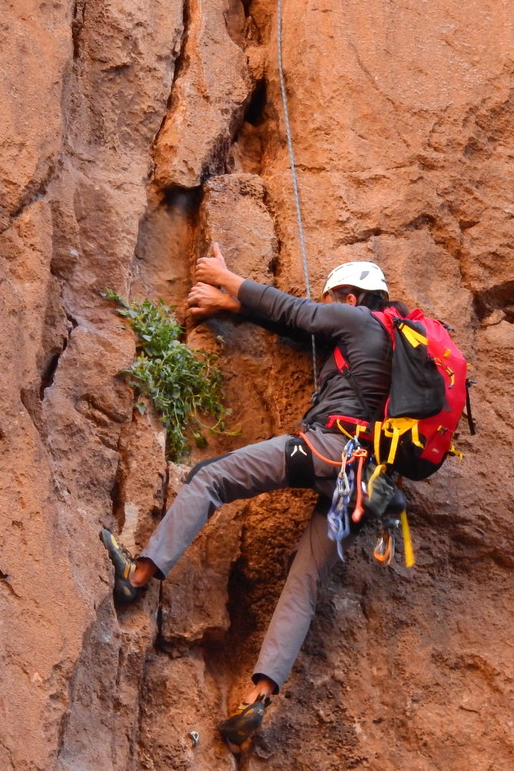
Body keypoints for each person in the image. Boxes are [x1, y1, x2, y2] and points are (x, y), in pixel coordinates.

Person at [100, 248, 408, 751]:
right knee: (305, 583)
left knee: (212, 479)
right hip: (363, 483)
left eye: (332, 299)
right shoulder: (394, 347)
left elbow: (296, 312)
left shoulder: (357, 318)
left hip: (326, 448)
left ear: (352, 297)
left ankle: (137, 576)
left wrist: (228, 279)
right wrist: (232, 307)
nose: (327, 307)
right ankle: (257, 699)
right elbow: (302, 330)